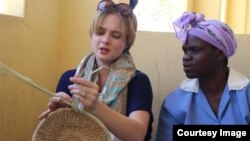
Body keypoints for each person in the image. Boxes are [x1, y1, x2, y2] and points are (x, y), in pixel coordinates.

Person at [38, 0, 154, 141]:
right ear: (92, 35)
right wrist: (59, 115)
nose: (105, 40)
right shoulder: (70, 78)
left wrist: (96, 107)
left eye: (116, 35)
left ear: (126, 42)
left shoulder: (138, 82)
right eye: (100, 32)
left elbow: (137, 135)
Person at [156, 11, 250, 141]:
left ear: (220, 53)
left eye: (195, 50)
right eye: (185, 50)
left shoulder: (247, 96)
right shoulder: (174, 103)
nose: (186, 57)